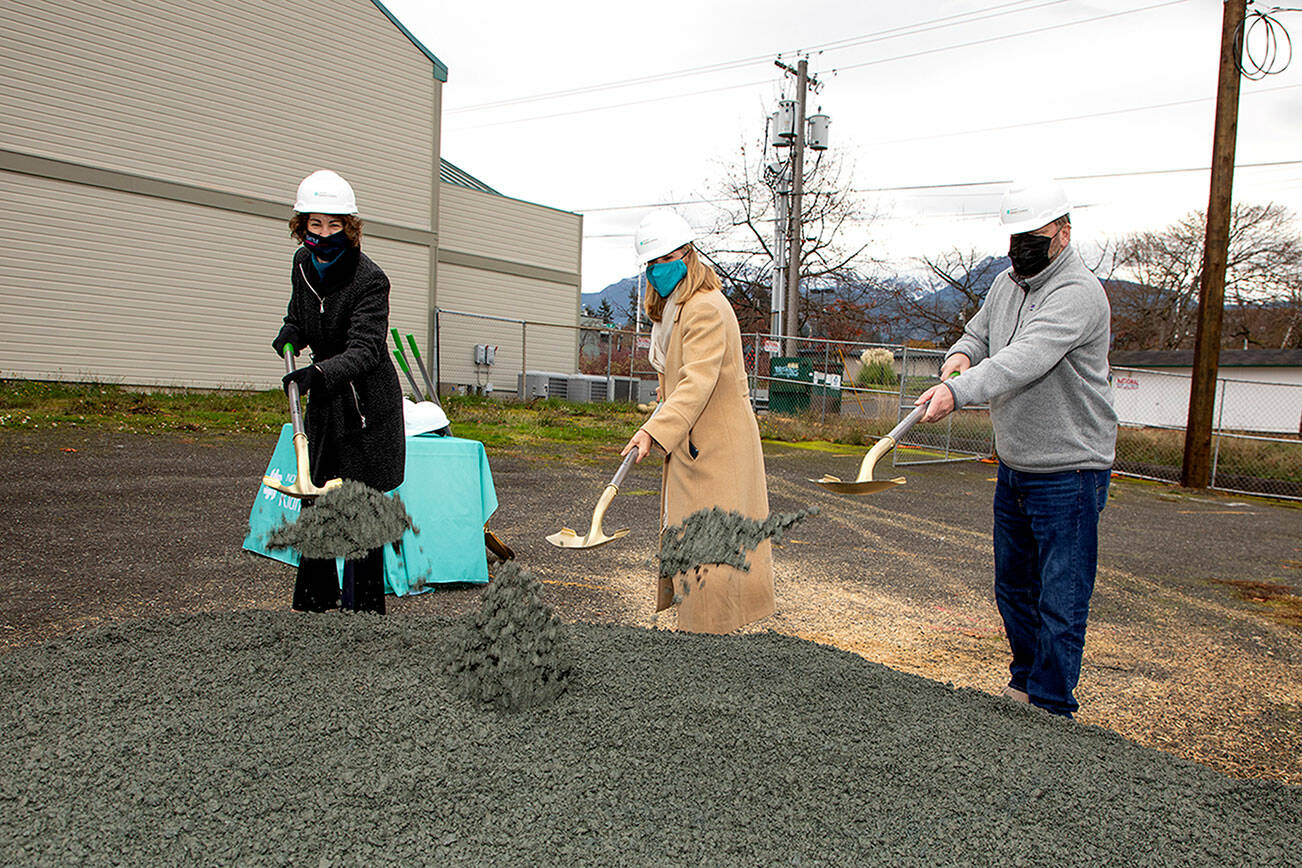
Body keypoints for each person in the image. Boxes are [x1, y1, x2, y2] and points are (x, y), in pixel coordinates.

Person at [914, 179, 1118, 718]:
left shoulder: (1076, 293)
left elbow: (1024, 357)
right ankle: (1026, 682)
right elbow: (980, 335)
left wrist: (959, 391)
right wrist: (959, 356)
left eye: (1033, 235)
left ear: (1064, 232)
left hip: (1070, 468)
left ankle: (1052, 705)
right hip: (1016, 463)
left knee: (1061, 594)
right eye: (1014, 236)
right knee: (1013, 587)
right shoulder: (1008, 284)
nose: (1020, 246)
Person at [620, 210, 775, 634]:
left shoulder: (705, 307)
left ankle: (709, 647)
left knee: (709, 550)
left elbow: (699, 379)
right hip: (694, 440)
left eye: (664, 260)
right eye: (650, 265)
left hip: (715, 448)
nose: (656, 271)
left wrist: (654, 429)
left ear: (688, 256)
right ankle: (703, 642)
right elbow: (683, 374)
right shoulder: (676, 309)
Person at [272, 170, 405, 614]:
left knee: (359, 507)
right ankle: (316, 605)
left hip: (366, 405)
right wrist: (292, 331)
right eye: (315, 224)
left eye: (334, 225)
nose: (324, 234)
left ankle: (364, 616)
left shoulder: (370, 279)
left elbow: (366, 349)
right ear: (302, 225)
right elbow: (300, 314)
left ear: (349, 227)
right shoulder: (302, 266)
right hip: (327, 402)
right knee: (318, 497)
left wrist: (319, 373)